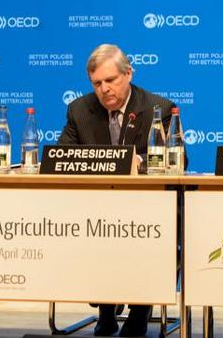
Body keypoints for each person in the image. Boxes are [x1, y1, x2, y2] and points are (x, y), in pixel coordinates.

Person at [58, 43, 177, 337]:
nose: (104, 89)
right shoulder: (79, 109)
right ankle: (106, 309)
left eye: (110, 80)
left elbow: (179, 161)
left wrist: (139, 162)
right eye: (97, 83)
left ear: (128, 73)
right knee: (90, 228)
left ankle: (139, 310)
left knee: (149, 231)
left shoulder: (157, 108)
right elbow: (62, 156)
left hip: (147, 208)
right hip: (96, 207)